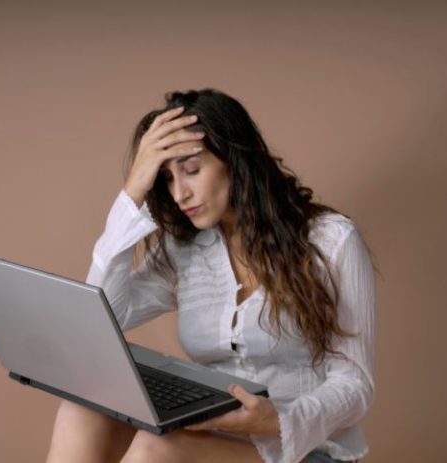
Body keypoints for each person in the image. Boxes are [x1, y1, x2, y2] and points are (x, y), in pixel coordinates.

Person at [46, 89, 376, 463]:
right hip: (210, 439)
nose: (179, 194)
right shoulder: (182, 249)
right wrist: (131, 194)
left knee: (156, 449)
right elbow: (101, 320)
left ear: (234, 160)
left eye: (190, 170)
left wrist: (277, 421)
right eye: (165, 179)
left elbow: (355, 383)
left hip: (301, 448)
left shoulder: (331, 240)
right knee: (80, 411)